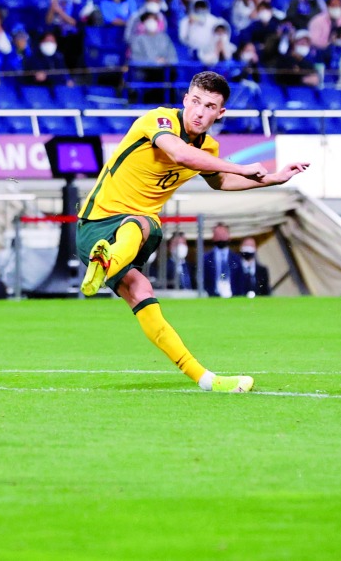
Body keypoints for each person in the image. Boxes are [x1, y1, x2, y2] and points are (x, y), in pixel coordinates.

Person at [78, 72, 308, 393]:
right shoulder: (159, 120)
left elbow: (222, 181)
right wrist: (241, 166)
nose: (200, 111)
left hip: (121, 242)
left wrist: (273, 178)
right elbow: (181, 154)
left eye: (210, 106)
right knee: (146, 222)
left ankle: (206, 379)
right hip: (98, 223)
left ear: (220, 113)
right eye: (196, 102)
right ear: (186, 99)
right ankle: (106, 263)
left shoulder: (208, 147)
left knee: (143, 291)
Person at [202, 223, 243, 298]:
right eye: (218, 235)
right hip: (212, 297)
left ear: (229, 236)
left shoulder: (237, 259)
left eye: (223, 235)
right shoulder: (206, 258)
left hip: (233, 296)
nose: (220, 238)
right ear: (213, 237)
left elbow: (240, 280)